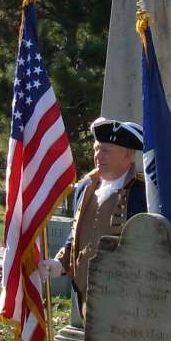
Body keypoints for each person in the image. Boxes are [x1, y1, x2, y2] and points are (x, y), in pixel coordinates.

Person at [41, 117, 146, 317]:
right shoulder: (85, 188)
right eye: (96, 149)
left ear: (128, 155)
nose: (98, 156)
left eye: (106, 150)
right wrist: (59, 264)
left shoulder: (141, 195)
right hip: (86, 298)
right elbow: (76, 235)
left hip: (127, 301)